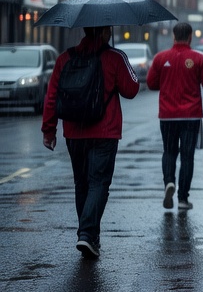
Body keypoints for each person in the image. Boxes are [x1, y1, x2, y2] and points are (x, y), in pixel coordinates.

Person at [41, 25, 142, 258]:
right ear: (105, 32)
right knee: (99, 184)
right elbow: (132, 89)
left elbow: (52, 97)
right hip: (105, 132)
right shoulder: (115, 57)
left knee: (82, 184)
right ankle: (87, 234)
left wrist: (49, 130)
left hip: (74, 133)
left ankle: (88, 236)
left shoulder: (65, 58)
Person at [147, 22, 203, 210]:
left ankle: (169, 181)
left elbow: (151, 83)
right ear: (191, 37)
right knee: (187, 156)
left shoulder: (161, 58)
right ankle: (183, 198)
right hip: (191, 116)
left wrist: (168, 81)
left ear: (173, 37)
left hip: (168, 115)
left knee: (169, 152)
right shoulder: (199, 58)